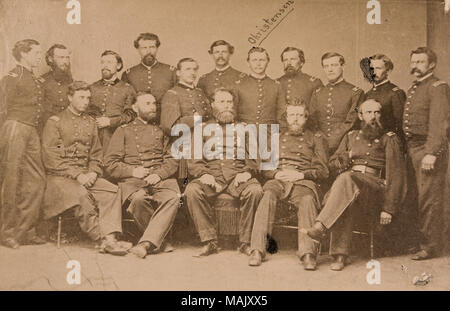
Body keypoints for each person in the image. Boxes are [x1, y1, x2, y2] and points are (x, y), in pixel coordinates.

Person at [303, 99, 407, 271]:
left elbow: (397, 175)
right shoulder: (351, 137)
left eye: (377, 112)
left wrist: (389, 208)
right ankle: (340, 256)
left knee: (346, 180)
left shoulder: (389, 138)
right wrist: (348, 155)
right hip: (351, 187)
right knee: (347, 194)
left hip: (375, 189)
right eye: (369, 113)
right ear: (360, 115)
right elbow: (332, 164)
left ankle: (320, 226)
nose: (373, 117)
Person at [41, 81, 130, 256]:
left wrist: (92, 172)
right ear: (69, 98)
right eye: (81, 97)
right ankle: (102, 239)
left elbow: (96, 154)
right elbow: (50, 158)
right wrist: (77, 175)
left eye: (88, 98)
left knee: (112, 190)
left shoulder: (91, 122)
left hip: (85, 175)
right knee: (81, 194)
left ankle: (110, 238)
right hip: (60, 178)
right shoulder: (55, 122)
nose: (86, 102)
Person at [248, 100, 329, 270]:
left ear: (306, 118)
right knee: (267, 195)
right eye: (292, 115)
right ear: (286, 117)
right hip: (279, 180)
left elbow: (322, 170)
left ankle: (308, 253)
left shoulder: (315, 138)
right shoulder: (275, 138)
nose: (295, 119)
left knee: (307, 200)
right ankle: (257, 249)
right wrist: (276, 173)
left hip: (303, 182)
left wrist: (301, 174)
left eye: (300, 115)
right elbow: (264, 166)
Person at [184, 88, 263, 257]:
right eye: (222, 102)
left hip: (239, 176)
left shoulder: (247, 128)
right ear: (213, 105)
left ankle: (245, 242)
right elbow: (194, 160)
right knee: (192, 190)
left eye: (229, 102)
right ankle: (209, 241)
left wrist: (247, 173)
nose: (227, 106)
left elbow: (255, 159)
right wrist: (204, 174)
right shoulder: (201, 128)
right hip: (213, 177)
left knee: (255, 191)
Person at [104, 92, 181, 259]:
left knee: (173, 198)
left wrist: (159, 174)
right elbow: (110, 164)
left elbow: (172, 158)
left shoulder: (161, 131)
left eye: (154, 103)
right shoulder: (123, 131)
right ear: (134, 108)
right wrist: (133, 171)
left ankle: (145, 244)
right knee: (138, 200)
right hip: (134, 181)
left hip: (160, 180)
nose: (153, 107)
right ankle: (159, 240)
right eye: (147, 104)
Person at [403, 47, 449, 260]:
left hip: (426, 149)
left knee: (429, 200)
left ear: (432, 64)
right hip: (413, 149)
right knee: (416, 197)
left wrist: (431, 153)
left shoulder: (437, 87)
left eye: (421, 62)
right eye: (414, 62)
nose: (416, 66)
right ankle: (418, 242)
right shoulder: (416, 87)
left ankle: (430, 246)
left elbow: (439, 124)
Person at [0, 39, 46, 248]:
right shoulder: (12, 77)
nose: (39, 56)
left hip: (31, 131)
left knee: (36, 179)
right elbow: (2, 108)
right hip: (16, 127)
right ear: (24, 54)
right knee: (11, 181)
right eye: (36, 52)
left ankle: (25, 231)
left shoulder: (34, 78)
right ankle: (6, 232)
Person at [160, 58, 212, 179]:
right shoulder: (172, 94)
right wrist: (195, 119)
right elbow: (171, 128)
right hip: (183, 144)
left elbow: (210, 117)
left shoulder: (200, 92)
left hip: (205, 141)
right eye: (187, 69)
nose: (192, 72)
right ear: (178, 73)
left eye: (194, 69)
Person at [310, 52, 365, 154]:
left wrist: (332, 140)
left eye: (334, 65)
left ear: (342, 66)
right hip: (319, 145)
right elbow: (312, 121)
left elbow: (352, 122)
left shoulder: (355, 92)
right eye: (326, 66)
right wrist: (320, 139)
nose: (330, 69)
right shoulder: (318, 93)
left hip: (344, 145)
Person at [88, 50, 136, 152]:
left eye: (109, 62)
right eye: (102, 62)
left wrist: (110, 122)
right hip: (93, 135)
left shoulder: (127, 89)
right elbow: (86, 111)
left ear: (118, 66)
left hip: (117, 135)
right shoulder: (92, 87)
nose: (105, 66)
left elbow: (131, 115)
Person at [234, 47, 286, 129]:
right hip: (245, 132)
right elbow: (232, 111)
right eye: (254, 60)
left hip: (270, 133)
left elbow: (281, 114)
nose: (258, 64)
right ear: (248, 63)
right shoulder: (239, 85)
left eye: (262, 60)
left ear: (268, 62)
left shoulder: (276, 85)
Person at [121, 32, 176, 102]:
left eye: (152, 47)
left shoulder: (171, 71)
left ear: (157, 48)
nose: (148, 51)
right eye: (144, 48)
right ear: (138, 50)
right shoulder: (128, 74)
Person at [363, 54, 406, 137]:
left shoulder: (395, 93)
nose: (374, 72)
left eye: (378, 68)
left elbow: (400, 124)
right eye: (371, 68)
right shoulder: (367, 94)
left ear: (388, 71)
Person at [41, 44, 73, 133]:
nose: (65, 61)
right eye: (61, 57)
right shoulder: (42, 82)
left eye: (67, 58)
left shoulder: (72, 82)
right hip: (47, 129)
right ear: (50, 59)